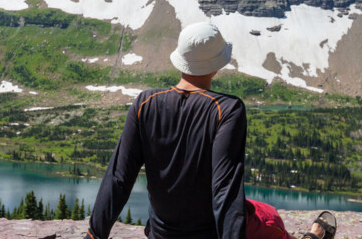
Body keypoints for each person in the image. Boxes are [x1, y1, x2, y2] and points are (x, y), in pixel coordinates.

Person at [84, 22, 338, 239]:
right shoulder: (227, 109)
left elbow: (119, 177)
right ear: (216, 66)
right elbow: (225, 190)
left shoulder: (145, 102)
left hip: (161, 234)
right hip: (210, 232)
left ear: (180, 59)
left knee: (257, 211)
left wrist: (94, 235)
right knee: (268, 217)